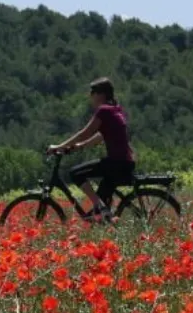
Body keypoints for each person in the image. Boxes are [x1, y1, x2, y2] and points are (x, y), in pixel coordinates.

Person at [47, 77, 135, 221]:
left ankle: (101, 208)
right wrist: (80, 146)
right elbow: (101, 135)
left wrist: (60, 146)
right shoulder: (115, 109)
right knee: (100, 205)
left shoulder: (104, 110)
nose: (90, 96)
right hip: (125, 162)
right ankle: (104, 214)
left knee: (75, 173)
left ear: (100, 94)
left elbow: (85, 133)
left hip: (116, 163)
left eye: (92, 92)